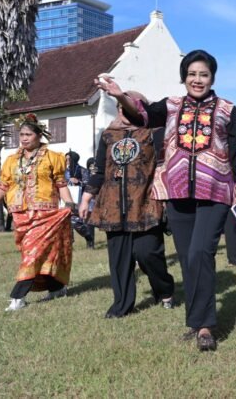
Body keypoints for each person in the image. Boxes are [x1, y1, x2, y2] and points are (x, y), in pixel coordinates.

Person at [96, 50, 236, 352]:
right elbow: (141, 116)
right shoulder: (170, 106)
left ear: (212, 78)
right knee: (187, 259)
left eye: (204, 74)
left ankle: (207, 325)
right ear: (184, 76)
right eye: (192, 74)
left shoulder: (226, 109)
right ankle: (196, 322)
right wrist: (120, 96)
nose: (198, 80)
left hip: (215, 192)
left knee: (200, 253)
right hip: (178, 193)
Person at [80, 91, 175, 318]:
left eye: (134, 107)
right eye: (123, 107)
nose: (127, 112)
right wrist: (86, 197)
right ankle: (122, 305)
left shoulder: (155, 133)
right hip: (113, 205)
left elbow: (166, 165)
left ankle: (164, 290)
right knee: (119, 259)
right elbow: (100, 169)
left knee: (148, 253)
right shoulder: (108, 135)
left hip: (145, 202)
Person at [0, 114, 76, 311]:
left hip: (46, 215)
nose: (24, 138)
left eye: (28, 134)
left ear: (39, 135)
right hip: (21, 215)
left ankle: (17, 297)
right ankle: (56, 288)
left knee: (33, 253)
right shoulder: (11, 161)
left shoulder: (53, 158)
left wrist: (70, 204)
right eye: (21, 134)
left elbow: (60, 184)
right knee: (36, 254)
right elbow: (2, 186)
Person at [66, 151, 94, 248]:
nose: (67, 161)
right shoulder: (63, 171)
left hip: (78, 200)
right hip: (65, 200)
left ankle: (88, 237)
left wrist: (79, 182)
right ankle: (69, 245)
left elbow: (89, 184)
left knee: (76, 223)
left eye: (69, 159)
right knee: (66, 223)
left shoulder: (82, 170)